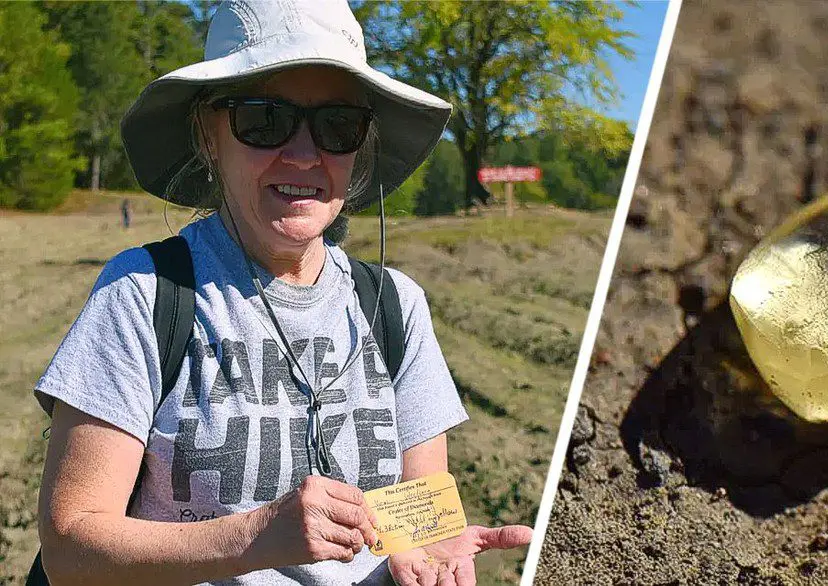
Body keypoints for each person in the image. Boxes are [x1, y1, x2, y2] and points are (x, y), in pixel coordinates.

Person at [33, 1, 531, 584]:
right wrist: (256, 536)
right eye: (265, 120)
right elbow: (70, 548)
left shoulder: (397, 306)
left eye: (338, 126)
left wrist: (430, 551)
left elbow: (420, 518)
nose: (303, 155)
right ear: (208, 133)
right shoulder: (143, 296)